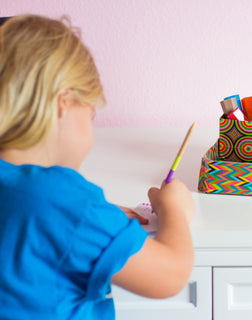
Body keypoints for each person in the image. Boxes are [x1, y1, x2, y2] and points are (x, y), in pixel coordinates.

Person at [0, 14, 195, 319]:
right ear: (64, 102)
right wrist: (175, 210)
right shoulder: (59, 198)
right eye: (90, 115)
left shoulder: (48, 203)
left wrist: (95, 218)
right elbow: (170, 275)